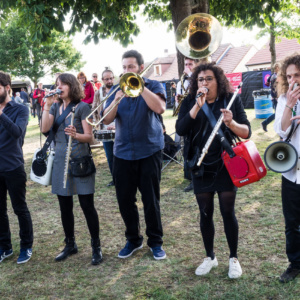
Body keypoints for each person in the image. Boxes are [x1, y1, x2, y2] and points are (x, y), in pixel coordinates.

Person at [176, 62, 251, 279]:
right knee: (205, 212)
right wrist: (196, 106)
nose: (204, 83)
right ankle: (210, 256)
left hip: (226, 164)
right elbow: (180, 129)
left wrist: (231, 123)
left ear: (218, 80)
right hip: (200, 164)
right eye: (200, 79)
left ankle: (233, 258)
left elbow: (247, 132)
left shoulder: (230, 99)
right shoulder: (191, 100)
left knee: (228, 211)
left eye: (209, 78)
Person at [103, 50, 167, 260]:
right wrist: (117, 100)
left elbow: (160, 108)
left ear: (140, 67)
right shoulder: (115, 90)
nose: (126, 71)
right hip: (122, 152)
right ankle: (133, 239)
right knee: (124, 200)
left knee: (151, 199)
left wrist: (140, 88)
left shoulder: (153, 86)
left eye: (131, 67)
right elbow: (106, 120)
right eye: (124, 67)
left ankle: (155, 242)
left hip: (148, 149)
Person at [41, 73, 102, 265]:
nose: (59, 87)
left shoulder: (82, 107)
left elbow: (90, 137)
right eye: (57, 84)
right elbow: (45, 128)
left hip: (80, 161)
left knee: (87, 206)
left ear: (71, 86)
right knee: (64, 207)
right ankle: (70, 244)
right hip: (60, 162)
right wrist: (47, 105)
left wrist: (77, 135)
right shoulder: (56, 107)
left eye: (63, 84)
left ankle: (96, 247)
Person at [0, 71, 34, 264]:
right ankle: (5, 248)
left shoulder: (21, 110)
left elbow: (17, 133)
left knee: (19, 208)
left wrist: (1, 114)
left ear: (7, 88)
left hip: (13, 166)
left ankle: (26, 246)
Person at [274, 53, 300, 283]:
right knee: (292, 222)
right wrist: (289, 106)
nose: (293, 80)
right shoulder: (284, 100)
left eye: (297, 75)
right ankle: (295, 263)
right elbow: (282, 131)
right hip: (291, 172)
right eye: (289, 76)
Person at [176, 57, 199, 193]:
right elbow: (180, 101)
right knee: (187, 148)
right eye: (186, 64)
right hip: (186, 116)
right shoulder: (181, 81)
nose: (187, 67)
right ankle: (190, 177)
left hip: (197, 114)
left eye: (190, 64)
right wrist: (178, 99)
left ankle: (196, 178)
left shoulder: (196, 79)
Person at [92, 69, 115, 187]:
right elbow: (94, 108)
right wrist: (97, 122)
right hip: (104, 127)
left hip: (118, 127)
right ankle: (115, 179)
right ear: (103, 80)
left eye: (111, 78)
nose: (110, 81)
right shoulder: (98, 93)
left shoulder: (118, 90)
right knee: (110, 155)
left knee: (120, 155)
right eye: (107, 79)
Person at [262, 63, 280, 132]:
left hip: (274, 96)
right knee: (278, 113)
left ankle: (265, 123)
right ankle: (265, 123)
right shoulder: (276, 76)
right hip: (276, 97)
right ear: (277, 68)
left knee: (278, 113)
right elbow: (276, 87)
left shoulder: (272, 75)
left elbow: (266, 83)